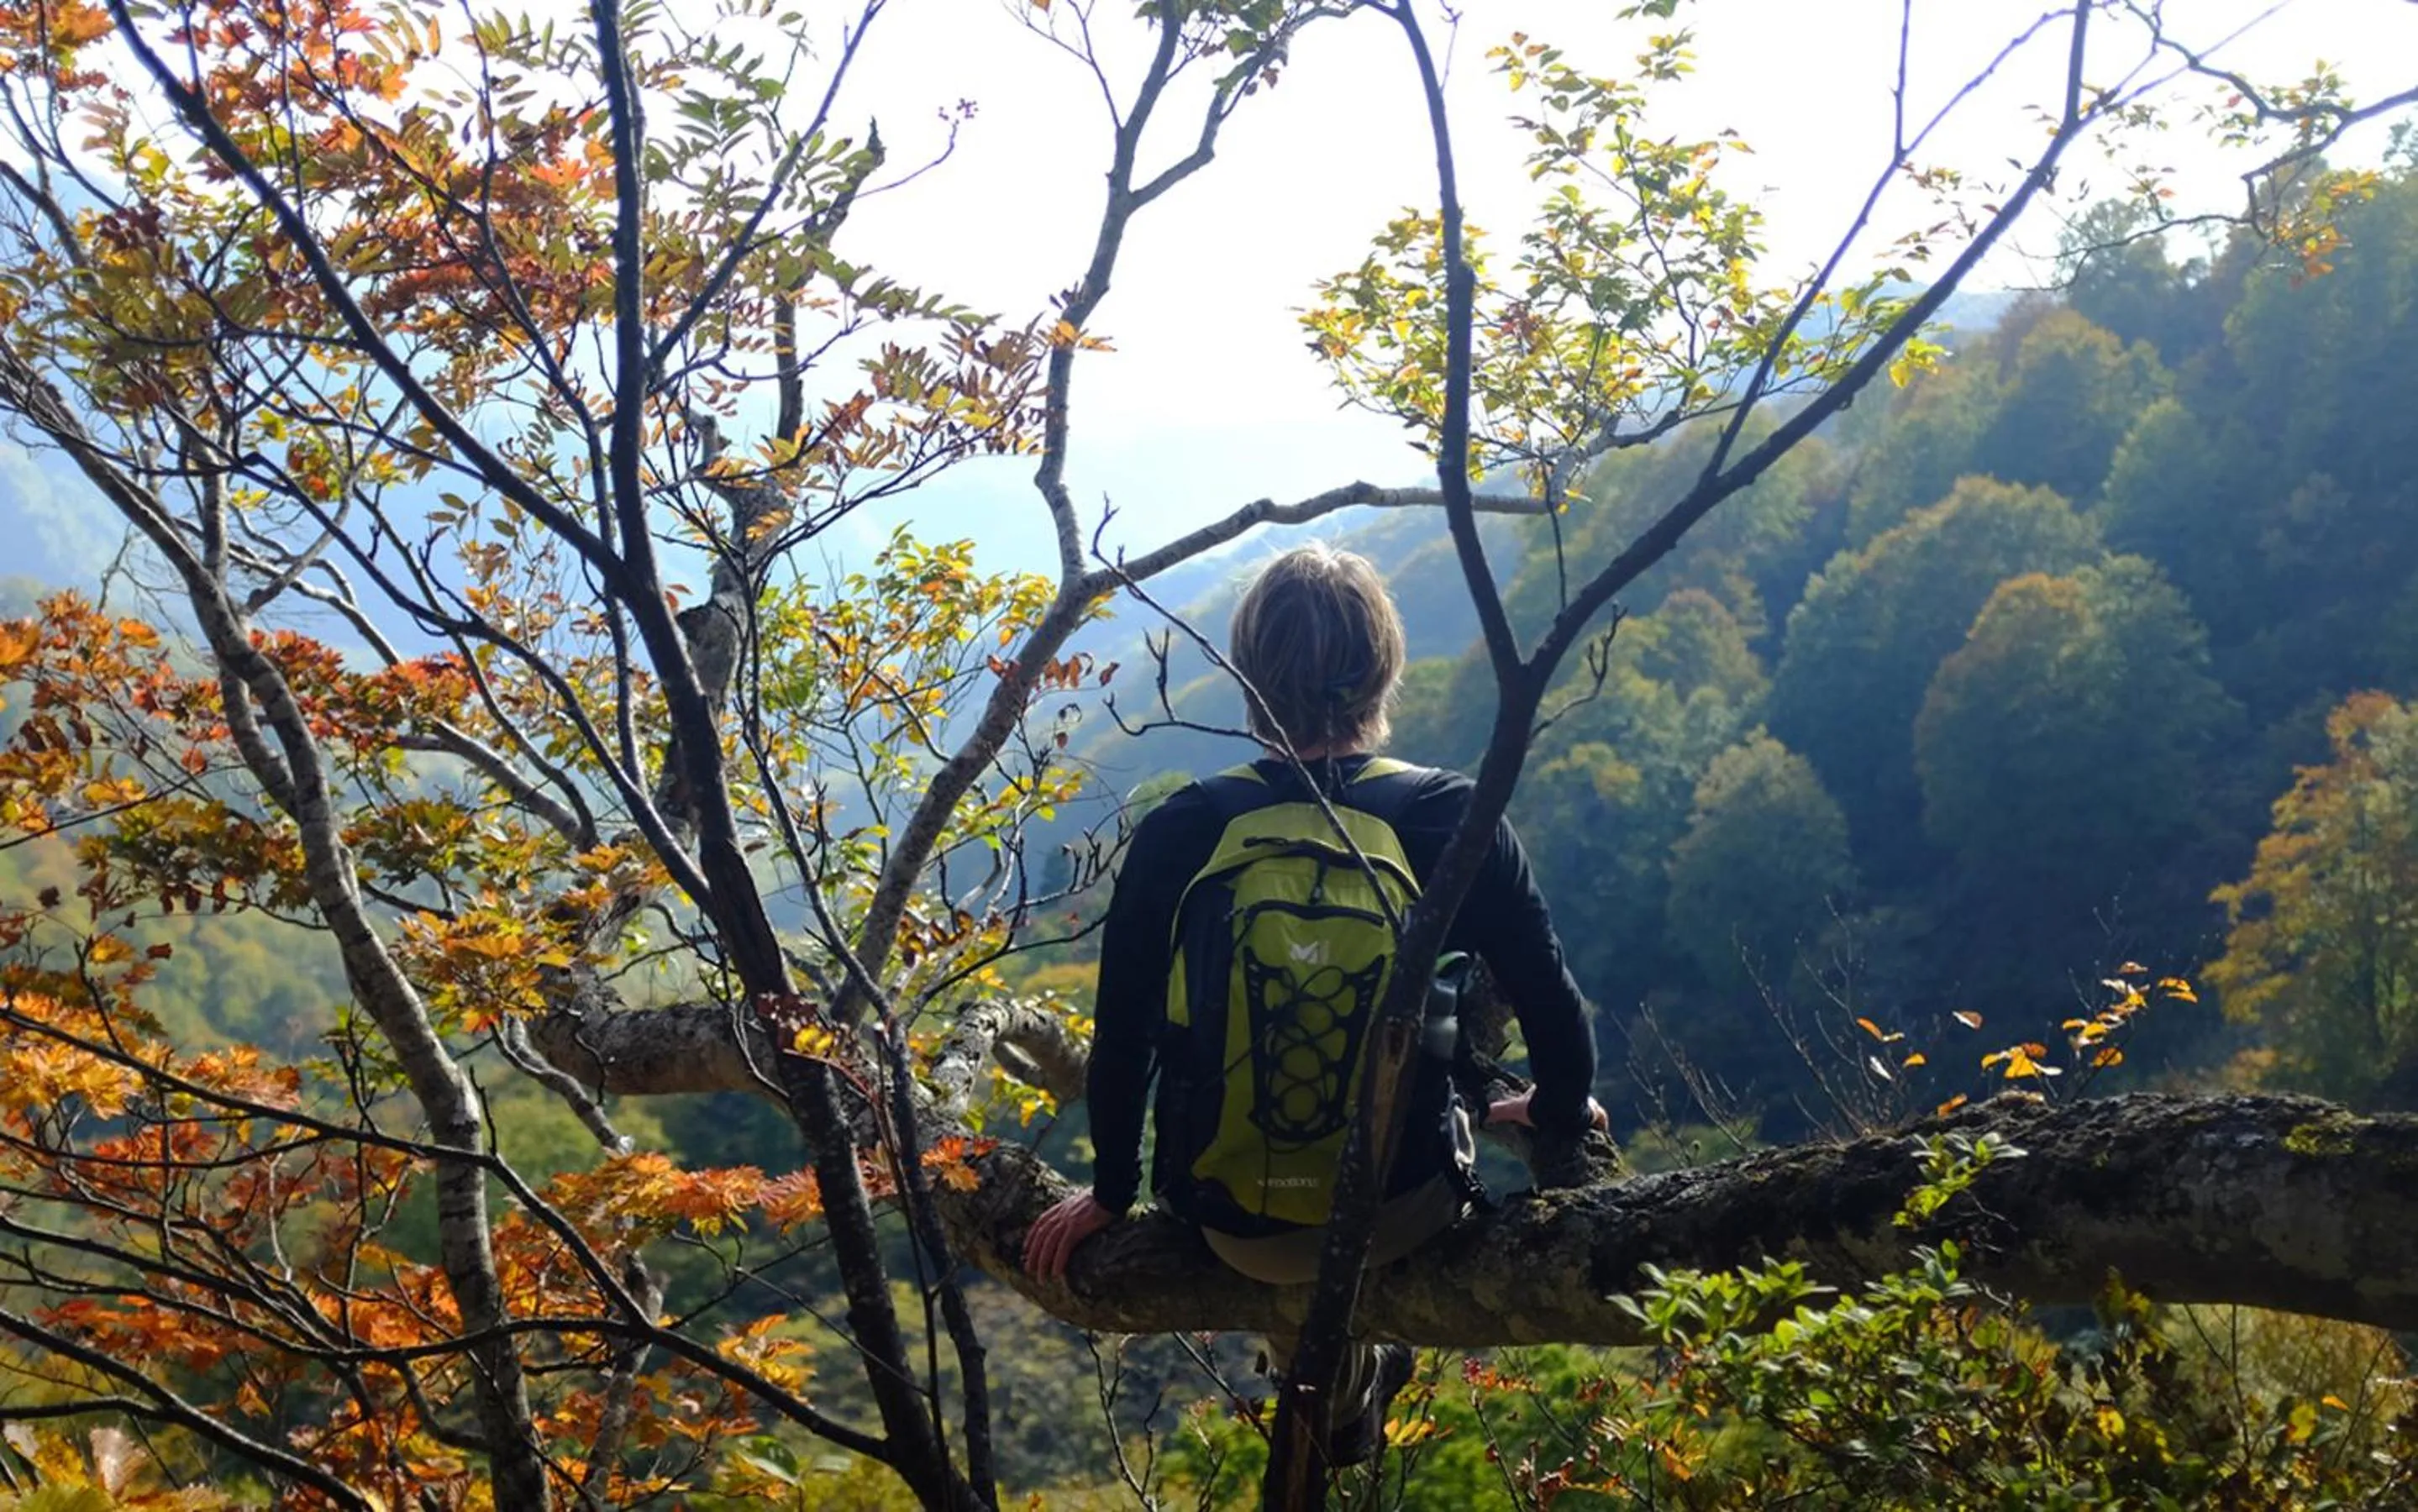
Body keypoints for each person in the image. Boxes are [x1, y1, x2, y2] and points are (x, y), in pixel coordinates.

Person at [1022, 541, 1606, 1466]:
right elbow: (1553, 1009)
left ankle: (1335, 1392)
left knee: (1291, 1257)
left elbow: (1126, 1029)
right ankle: (1349, 1379)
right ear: (1384, 666)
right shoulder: (1451, 814)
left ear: (1246, 674)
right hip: (1405, 1204)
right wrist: (1561, 1108)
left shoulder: (1184, 828)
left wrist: (1107, 1195)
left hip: (1230, 1224)